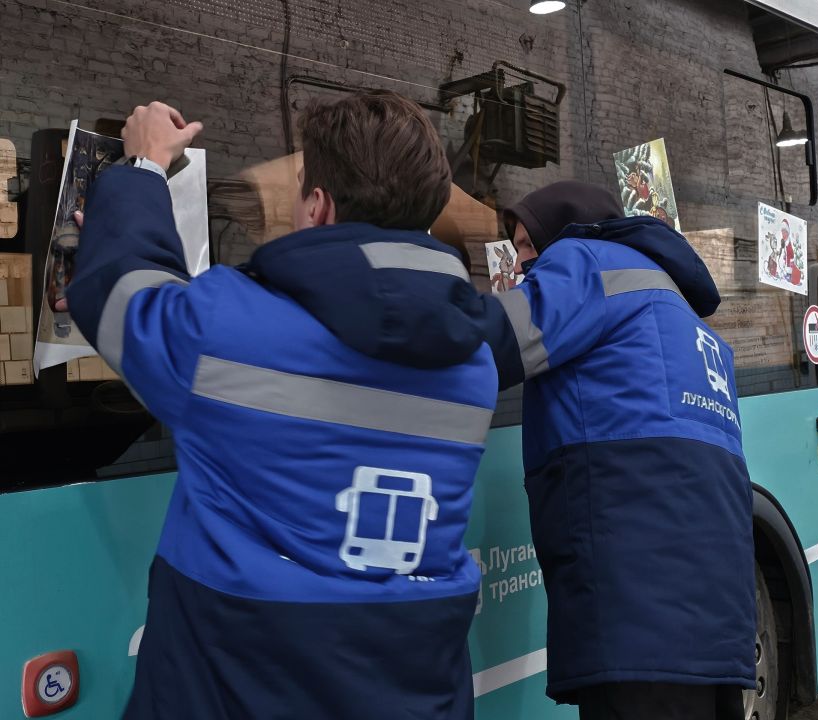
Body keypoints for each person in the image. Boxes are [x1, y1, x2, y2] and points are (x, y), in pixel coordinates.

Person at [66, 94, 498, 720]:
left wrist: (143, 168)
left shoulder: (227, 328)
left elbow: (118, 290)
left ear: (317, 207)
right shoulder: (473, 364)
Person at [482, 181, 755, 720]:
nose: (518, 270)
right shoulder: (676, 308)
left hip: (640, 616)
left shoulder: (584, 261)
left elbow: (491, 342)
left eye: (527, 250)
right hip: (712, 620)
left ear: (564, 235)